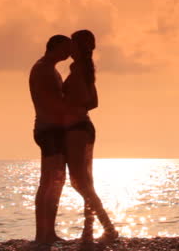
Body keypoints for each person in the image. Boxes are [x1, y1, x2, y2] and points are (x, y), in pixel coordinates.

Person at [62, 29, 119, 244]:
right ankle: (89, 231)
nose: (69, 48)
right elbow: (93, 102)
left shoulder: (79, 70)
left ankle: (108, 228)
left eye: (72, 44)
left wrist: (66, 103)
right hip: (83, 126)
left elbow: (86, 99)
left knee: (80, 182)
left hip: (77, 128)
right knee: (85, 182)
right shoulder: (84, 68)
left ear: (78, 47)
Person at [29, 34, 72, 244]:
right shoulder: (43, 69)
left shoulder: (50, 68)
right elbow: (52, 102)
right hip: (48, 129)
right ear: (54, 46)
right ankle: (41, 234)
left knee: (56, 181)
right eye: (66, 48)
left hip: (53, 129)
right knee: (48, 181)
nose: (69, 53)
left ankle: (49, 232)